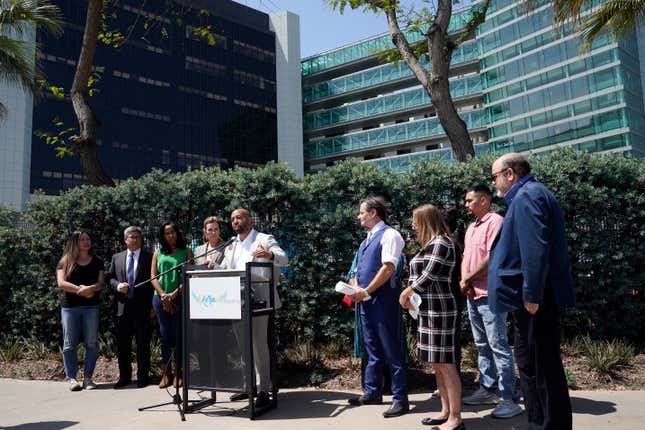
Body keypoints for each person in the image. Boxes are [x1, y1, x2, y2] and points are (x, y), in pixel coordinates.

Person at [489, 153, 575, 430]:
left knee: (540, 367)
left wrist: (532, 294)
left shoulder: (528, 196)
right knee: (533, 364)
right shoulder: (531, 195)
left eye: (495, 177)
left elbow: (535, 250)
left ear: (510, 174)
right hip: (532, 297)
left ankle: (547, 424)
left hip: (535, 299)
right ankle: (539, 422)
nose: (494, 183)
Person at [460, 186, 522, 418]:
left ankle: (510, 399)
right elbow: (467, 256)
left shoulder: (496, 221)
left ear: (484, 200)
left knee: (499, 346)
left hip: (490, 294)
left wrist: (467, 277)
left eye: (470, 200)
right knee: (482, 345)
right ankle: (487, 389)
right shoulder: (471, 227)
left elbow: (492, 256)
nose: (466, 204)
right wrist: (463, 280)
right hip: (472, 294)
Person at [400, 205, 462, 430]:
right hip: (428, 310)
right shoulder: (429, 245)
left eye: (416, 221)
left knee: (447, 365)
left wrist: (408, 292)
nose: (413, 225)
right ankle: (445, 411)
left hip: (441, 310)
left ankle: (456, 418)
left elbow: (429, 274)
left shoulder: (442, 243)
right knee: (437, 364)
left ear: (426, 220)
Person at [347, 197, 409, 418]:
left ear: (373, 213)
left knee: (392, 350)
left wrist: (366, 291)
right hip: (366, 301)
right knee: (372, 349)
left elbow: (388, 268)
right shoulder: (366, 240)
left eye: (362, 212)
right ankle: (372, 392)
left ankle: (400, 399)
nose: (359, 216)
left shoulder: (390, 235)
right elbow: (356, 271)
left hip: (383, 301)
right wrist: (354, 288)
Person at [222, 208, 288, 408]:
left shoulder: (264, 238)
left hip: (259, 299)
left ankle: (263, 389)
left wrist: (268, 255)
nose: (235, 221)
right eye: (233, 219)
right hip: (235, 300)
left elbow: (284, 259)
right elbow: (226, 269)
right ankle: (248, 386)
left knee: (259, 345)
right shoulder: (231, 245)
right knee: (242, 346)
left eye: (239, 217)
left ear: (249, 220)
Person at [56, 229, 104, 391]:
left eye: (88, 238)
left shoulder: (97, 261)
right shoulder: (66, 260)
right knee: (69, 343)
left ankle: (88, 379)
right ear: (75, 242)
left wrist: (90, 288)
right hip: (70, 308)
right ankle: (72, 378)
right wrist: (80, 290)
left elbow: (100, 284)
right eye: (82, 239)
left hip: (92, 307)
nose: (86, 242)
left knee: (91, 343)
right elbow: (61, 283)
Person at [106, 226, 153, 388]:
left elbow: (154, 282)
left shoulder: (149, 257)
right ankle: (124, 377)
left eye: (138, 237)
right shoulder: (117, 258)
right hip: (122, 308)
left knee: (143, 344)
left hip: (142, 308)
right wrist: (118, 286)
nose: (135, 239)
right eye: (132, 237)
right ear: (125, 239)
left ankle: (142, 378)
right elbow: (110, 278)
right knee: (123, 345)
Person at [151, 221, 193, 389]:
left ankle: (179, 373)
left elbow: (188, 276)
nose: (171, 235)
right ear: (163, 236)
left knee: (177, 335)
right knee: (164, 335)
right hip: (160, 298)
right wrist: (163, 295)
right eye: (167, 233)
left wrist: (174, 294)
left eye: (173, 232)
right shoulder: (158, 252)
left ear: (178, 233)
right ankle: (166, 373)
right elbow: (153, 276)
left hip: (179, 297)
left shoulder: (186, 251)